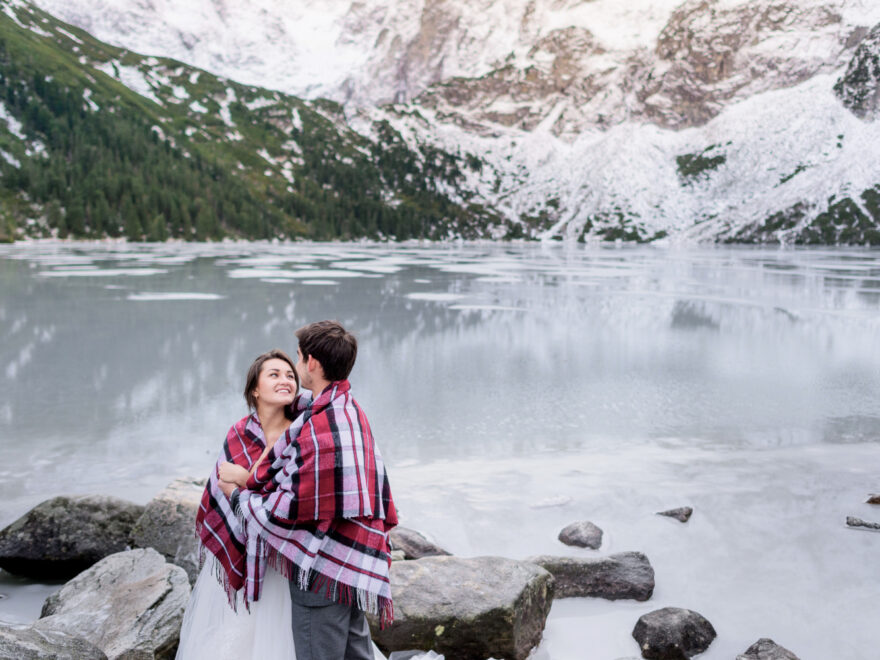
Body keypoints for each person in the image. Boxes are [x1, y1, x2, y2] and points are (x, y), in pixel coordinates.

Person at [177, 349, 301, 659]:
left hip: (285, 553)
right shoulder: (239, 432)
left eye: (290, 376)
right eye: (274, 375)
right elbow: (219, 487)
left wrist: (245, 478)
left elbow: (292, 495)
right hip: (246, 547)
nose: (285, 380)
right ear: (255, 390)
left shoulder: (300, 431)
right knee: (244, 629)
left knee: (281, 632)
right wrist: (246, 483)